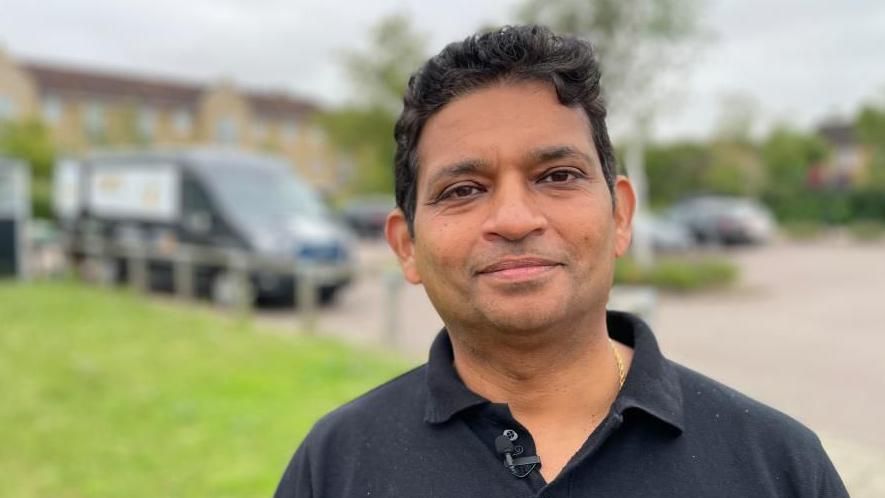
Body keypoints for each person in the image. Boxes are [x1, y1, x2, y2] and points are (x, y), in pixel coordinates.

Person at [275, 25, 848, 497]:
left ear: (621, 215)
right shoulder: (335, 466)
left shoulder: (780, 468)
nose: (515, 219)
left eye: (557, 176)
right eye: (464, 189)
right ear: (406, 246)